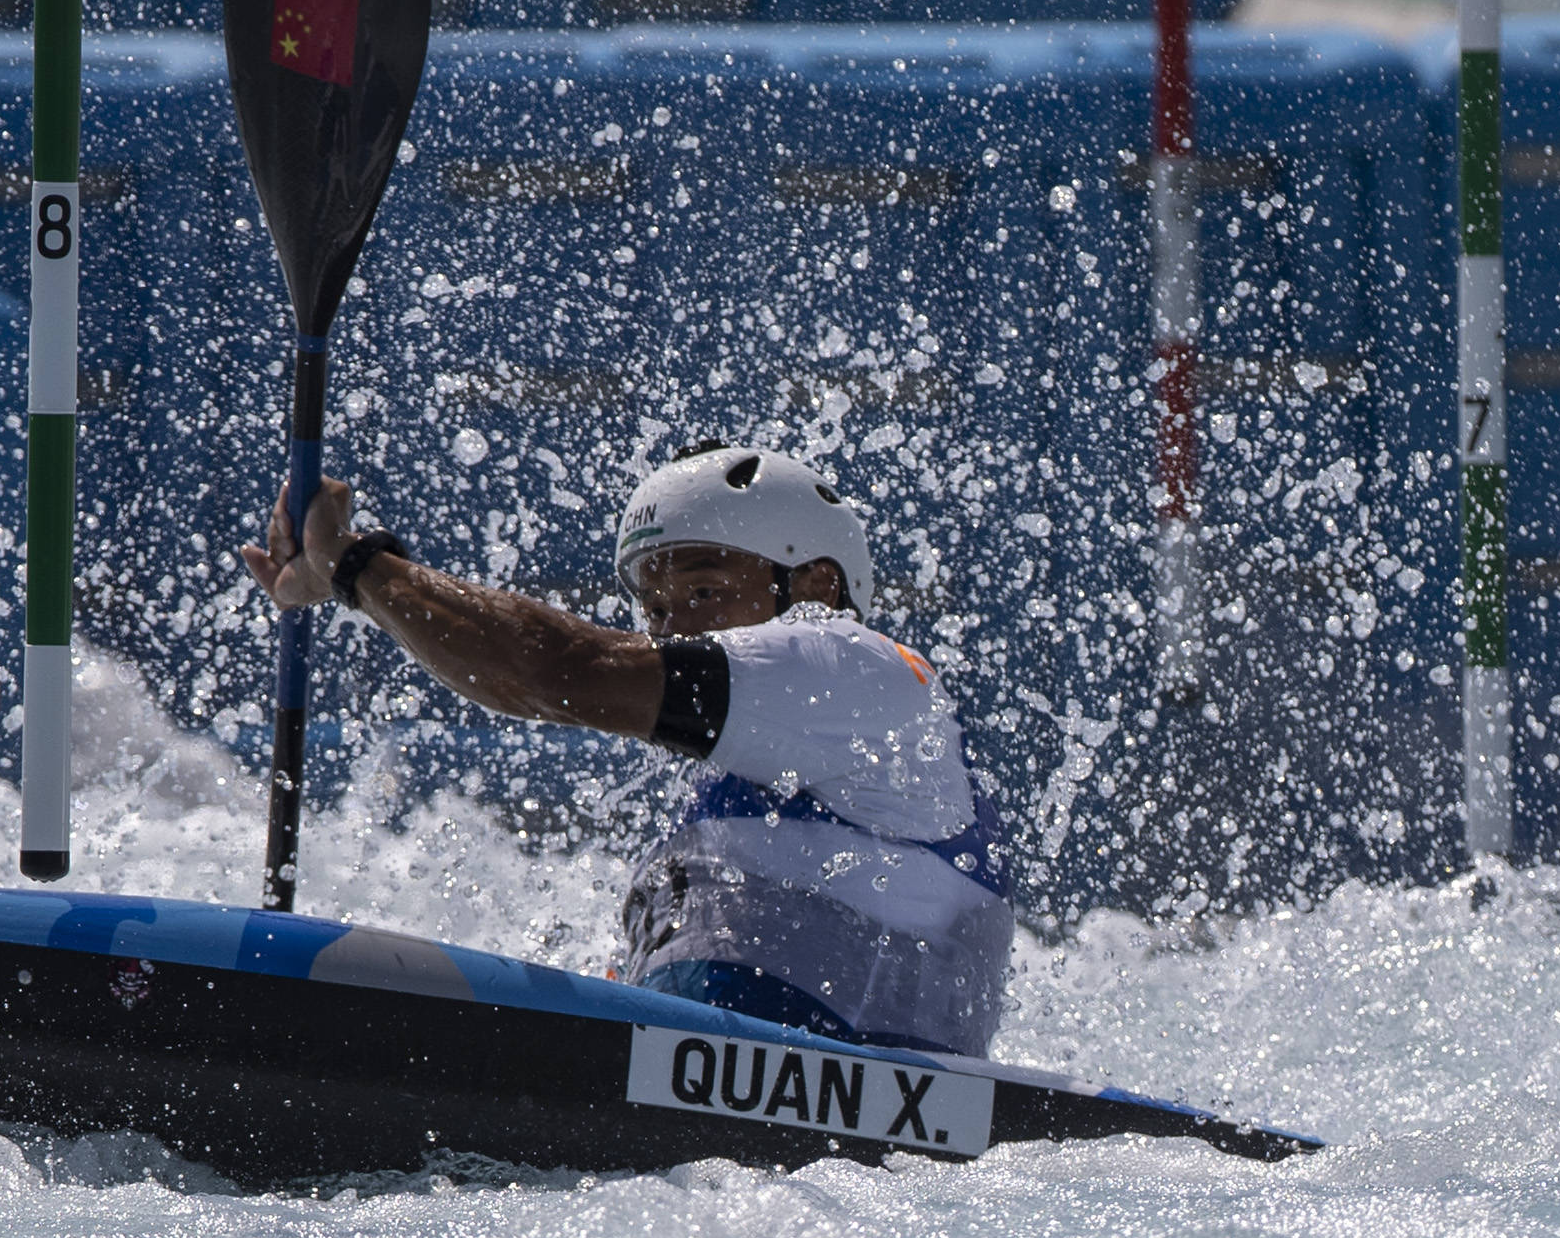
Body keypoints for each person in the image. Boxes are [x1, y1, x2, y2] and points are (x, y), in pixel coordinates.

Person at [241, 443, 1016, 1057]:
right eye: (655, 606)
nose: (673, 629)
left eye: (704, 590)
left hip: (873, 1144)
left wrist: (353, 565)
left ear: (813, 586)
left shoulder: (860, 671)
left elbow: (557, 671)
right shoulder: (736, 804)